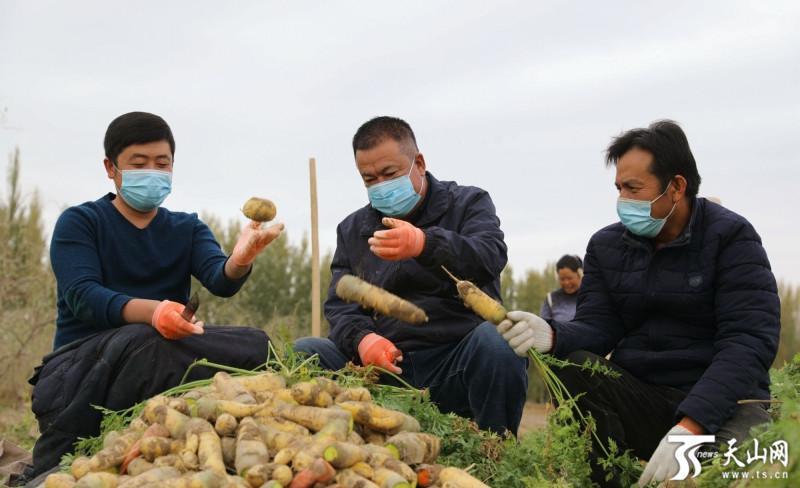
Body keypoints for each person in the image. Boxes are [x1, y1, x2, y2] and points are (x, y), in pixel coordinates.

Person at [497, 120, 780, 486]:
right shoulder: (607, 246)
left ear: (676, 187)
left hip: (725, 403)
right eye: (618, 189)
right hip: (645, 396)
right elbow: (599, 326)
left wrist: (693, 423)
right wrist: (552, 335)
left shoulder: (731, 237)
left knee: (726, 476)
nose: (623, 201)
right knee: (576, 366)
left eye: (633, 188)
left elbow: (749, 341)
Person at [26, 112, 284, 479]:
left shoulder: (187, 227)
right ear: (110, 168)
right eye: (139, 163)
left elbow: (220, 279)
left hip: (160, 354)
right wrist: (154, 312)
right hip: (81, 370)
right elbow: (83, 296)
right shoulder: (81, 222)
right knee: (146, 340)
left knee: (257, 344)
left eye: (162, 164)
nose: (152, 171)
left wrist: (240, 259)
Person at [295, 116, 527, 434]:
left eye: (389, 174)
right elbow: (340, 304)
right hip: (385, 368)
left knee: (500, 340)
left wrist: (425, 243)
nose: (381, 186)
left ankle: (495, 449)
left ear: (418, 162)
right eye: (369, 179)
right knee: (306, 353)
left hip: (454, 358)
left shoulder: (468, 203)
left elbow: (489, 255)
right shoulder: (353, 229)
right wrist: (363, 340)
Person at [539, 254, 583, 322]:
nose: (566, 282)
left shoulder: (589, 297)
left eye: (569, 278)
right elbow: (543, 325)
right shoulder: (551, 299)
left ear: (580, 275)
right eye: (562, 279)